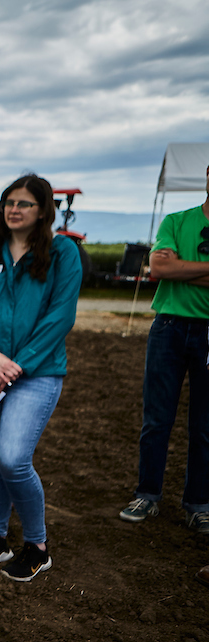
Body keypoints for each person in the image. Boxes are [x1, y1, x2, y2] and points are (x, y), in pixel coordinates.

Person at [0, 174, 82, 582]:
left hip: (35, 373)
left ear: (43, 210)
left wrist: (15, 366)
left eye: (24, 203)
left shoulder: (62, 253)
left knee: (12, 457)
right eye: (10, 202)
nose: (14, 209)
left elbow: (59, 317)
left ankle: (37, 546)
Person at [119, 163, 209, 538]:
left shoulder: (176, 228)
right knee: (156, 418)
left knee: (205, 426)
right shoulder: (177, 219)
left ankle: (199, 504)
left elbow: (171, 267)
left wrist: (181, 268)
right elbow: (158, 266)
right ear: (207, 175)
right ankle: (147, 494)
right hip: (169, 326)